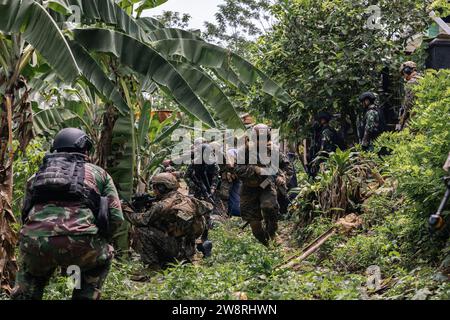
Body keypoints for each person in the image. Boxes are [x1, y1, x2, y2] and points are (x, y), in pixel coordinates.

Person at [11, 128, 124, 300]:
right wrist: (102, 237)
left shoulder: (36, 176)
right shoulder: (99, 173)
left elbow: (25, 214)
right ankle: (80, 293)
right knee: (99, 260)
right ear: (85, 149)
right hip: (82, 245)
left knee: (31, 274)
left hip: (35, 242)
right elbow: (116, 217)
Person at [127, 173, 213, 268]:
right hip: (189, 248)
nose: (154, 191)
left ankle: (153, 265)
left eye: (155, 187)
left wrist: (126, 209)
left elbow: (141, 220)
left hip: (176, 250)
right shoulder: (187, 199)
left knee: (141, 230)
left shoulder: (163, 205)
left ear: (161, 188)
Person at [235, 124, 294, 246]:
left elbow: (287, 166)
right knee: (255, 225)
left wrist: (282, 177)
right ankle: (266, 243)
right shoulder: (245, 150)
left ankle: (272, 234)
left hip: (266, 184)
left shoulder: (273, 150)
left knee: (269, 207)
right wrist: (254, 169)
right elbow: (237, 170)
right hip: (249, 188)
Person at [308, 111, 342, 176]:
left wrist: (316, 161)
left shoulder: (326, 132)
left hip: (327, 160)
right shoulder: (326, 130)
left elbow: (323, 150)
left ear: (323, 120)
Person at [397, 61, 422, 131]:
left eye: (403, 73)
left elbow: (408, 104)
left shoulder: (411, 83)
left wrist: (402, 120)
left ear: (406, 71)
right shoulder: (423, 79)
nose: (403, 76)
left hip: (414, 117)